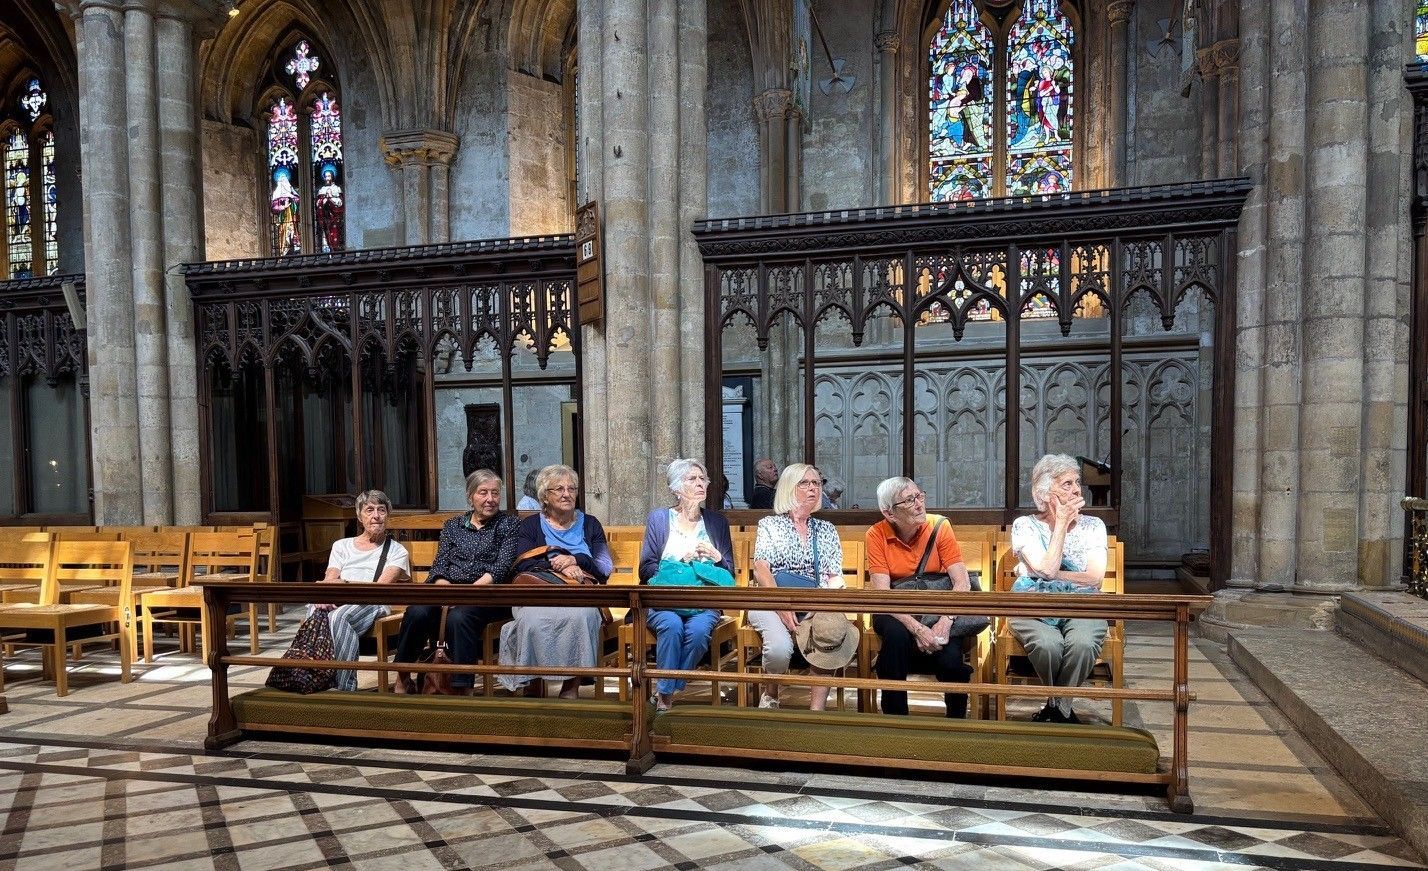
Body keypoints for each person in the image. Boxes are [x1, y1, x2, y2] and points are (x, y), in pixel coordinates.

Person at [391, 469, 519, 694]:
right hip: (447, 590)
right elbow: (440, 564)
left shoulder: (509, 525)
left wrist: (465, 595)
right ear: (470, 496)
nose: (490, 499)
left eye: (495, 493)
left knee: (459, 618)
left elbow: (501, 567)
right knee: (417, 612)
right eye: (483, 493)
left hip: (487, 595)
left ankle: (463, 686)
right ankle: (402, 675)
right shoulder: (453, 526)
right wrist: (444, 589)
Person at [1009, 453, 1108, 724]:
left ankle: (1057, 708)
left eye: (1077, 482)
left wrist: (1033, 572)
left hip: (1083, 605)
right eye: (1067, 484)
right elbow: (1047, 569)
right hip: (1033, 606)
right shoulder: (1025, 525)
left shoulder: (1093, 526)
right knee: (1047, 645)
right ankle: (1063, 712)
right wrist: (1061, 524)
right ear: (1045, 493)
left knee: (1083, 644)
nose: (1077, 489)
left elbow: (1094, 579)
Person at [498, 464, 613, 698]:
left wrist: (576, 560)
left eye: (572, 489)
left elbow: (604, 568)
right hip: (540, 595)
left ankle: (570, 688)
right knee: (531, 620)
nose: (567, 494)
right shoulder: (530, 525)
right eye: (559, 489)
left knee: (581, 618)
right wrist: (557, 565)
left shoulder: (590, 524)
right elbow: (521, 565)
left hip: (580, 596)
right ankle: (532, 683)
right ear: (544, 496)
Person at [747, 463, 856, 710]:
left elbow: (835, 576)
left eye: (816, 483)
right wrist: (781, 605)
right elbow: (761, 568)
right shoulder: (770, 525)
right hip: (772, 599)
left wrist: (820, 604)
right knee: (779, 649)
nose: (813, 488)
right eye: (805, 483)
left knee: (828, 633)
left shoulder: (826, 529)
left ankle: (816, 711)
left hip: (815, 602)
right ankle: (771, 694)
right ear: (789, 487)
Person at [865, 477, 973, 718]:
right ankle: (896, 720)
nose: (919, 504)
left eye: (919, 496)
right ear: (889, 513)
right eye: (909, 500)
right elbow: (883, 594)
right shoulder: (876, 533)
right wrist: (918, 629)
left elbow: (962, 583)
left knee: (950, 657)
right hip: (894, 606)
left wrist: (945, 621)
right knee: (895, 636)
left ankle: (957, 723)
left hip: (936, 606)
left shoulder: (940, 526)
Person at [639, 459, 735, 711]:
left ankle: (665, 690)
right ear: (676, 488)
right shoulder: (659, 519)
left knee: (700, 632)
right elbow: (646, 568)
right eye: (692, 479)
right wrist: (681, 562)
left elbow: (728, 572)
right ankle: (665, 697)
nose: (700, 483)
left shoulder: (717, 522)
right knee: (671, 626)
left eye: (703, 479)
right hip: (664, 600)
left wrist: (716, 556)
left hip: (704, 601)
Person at [311, 490, 411, 691]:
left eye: (381, 510)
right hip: (341, 600)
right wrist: (326, 593)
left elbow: (380, 588)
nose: (376, 516)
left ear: (387, 515)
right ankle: (315, 679)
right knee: (316, 609)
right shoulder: (341, 546)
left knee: (339, 617)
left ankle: (345, 688)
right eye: (369, 510)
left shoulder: (396, 550)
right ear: (359, 516)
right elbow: (330, 578)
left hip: (374, 602)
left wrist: (344, 583)